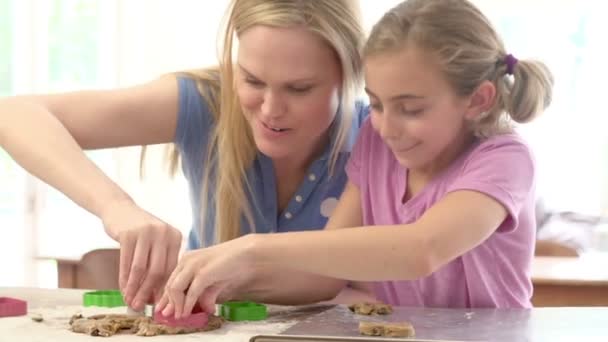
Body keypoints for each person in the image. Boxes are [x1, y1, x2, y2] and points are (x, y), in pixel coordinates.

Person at [157, 0, 554, 318]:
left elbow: (421, 249)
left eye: (411, 109)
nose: (386, 126)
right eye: (377, 104)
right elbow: (324, 277)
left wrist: (254, 249)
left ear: (478, 100)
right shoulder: (375, 143)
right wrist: (220, 280)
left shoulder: (505, 159)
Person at [0, 0, 372, 310]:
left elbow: (326, 277)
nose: (271, 109)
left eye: (300, 88)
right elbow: (13, 115)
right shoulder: (206, 102)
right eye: (253, 80)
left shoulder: (380, 136)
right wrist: (116, 207)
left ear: (352, 73)